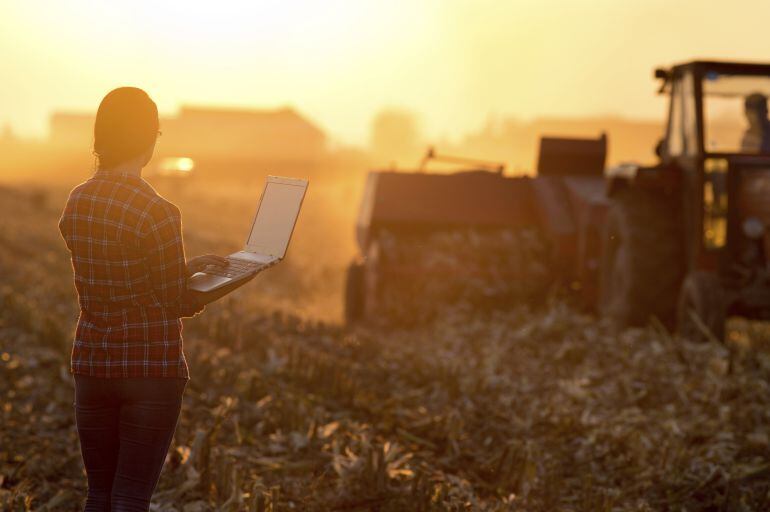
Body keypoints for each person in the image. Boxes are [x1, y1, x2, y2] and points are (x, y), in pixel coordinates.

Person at [58, 87, 228, 511]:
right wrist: (221, 282)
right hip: (150, 370)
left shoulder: (76, 202)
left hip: (92, 365)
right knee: (131, 497)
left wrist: (186, 268)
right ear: (149, 139)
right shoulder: (159, 212)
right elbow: (173, 301)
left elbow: (120, 270)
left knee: (99, 495)